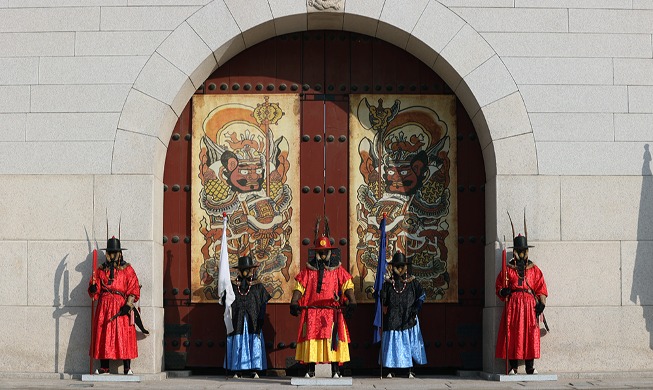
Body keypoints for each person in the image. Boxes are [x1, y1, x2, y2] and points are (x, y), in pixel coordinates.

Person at [290, 219, 357, 378]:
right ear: (316, 252)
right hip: (312, 312)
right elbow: (299, 287)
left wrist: (352, 300)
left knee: (332, 340)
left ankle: (336, 370)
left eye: (325, 251)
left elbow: (347, 285)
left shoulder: (338, 270)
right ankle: (310, 370)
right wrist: (294, 301)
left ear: (330, 252)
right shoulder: (308, 271)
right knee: (312, 340)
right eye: (319, 251)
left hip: (332, 312)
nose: (322, 254)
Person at [88, 236, 145, 375]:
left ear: (120, 253)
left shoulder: (127, 269)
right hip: (104, 306)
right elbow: (94, 291)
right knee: (104, 334)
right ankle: (104, 367)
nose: (113, 255)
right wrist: (93, 289)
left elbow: (134, 287)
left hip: (121, 305)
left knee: (124, 334)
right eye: (110, 252)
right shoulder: (101, 270)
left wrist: (128, 304)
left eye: (115, 252)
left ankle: (127, 367)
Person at [495, 233, 548, 375]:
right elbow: (499, 286)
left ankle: (530, 366)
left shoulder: (534, 269)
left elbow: (540, 287)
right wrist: (503, 291)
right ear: (515, 251)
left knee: (530, 333)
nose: (521, 253)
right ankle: (513, 366)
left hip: (530, 306)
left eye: (524, 250)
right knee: (512, 333)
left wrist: (541, 303)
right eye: (519, 250)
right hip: (513, 305)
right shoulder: (507, 269)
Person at [379, 251, 427, 378]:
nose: (399, 269)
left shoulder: (413, 283)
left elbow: (421, 295)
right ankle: (389, 369)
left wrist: (416, 308)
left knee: (409, 343)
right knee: (391, 344)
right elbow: (384, 301)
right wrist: (380, 294)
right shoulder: (388, 284)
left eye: (401, 266)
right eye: (397, 266)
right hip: (393, 317)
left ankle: (409, 370)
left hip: (408, 317)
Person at [224, 255, 271, 378]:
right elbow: (225, 300)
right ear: (239, 270)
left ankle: (253, 369)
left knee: (253, 341)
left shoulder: (258, 286)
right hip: (237, 319)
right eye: (243, 268)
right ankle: (237, 369)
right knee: (238, 341)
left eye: (247, 268)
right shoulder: (233, 286)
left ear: (251, 269)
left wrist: (261, 316)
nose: (245, 271)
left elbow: (263, 302)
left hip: (253, 319)